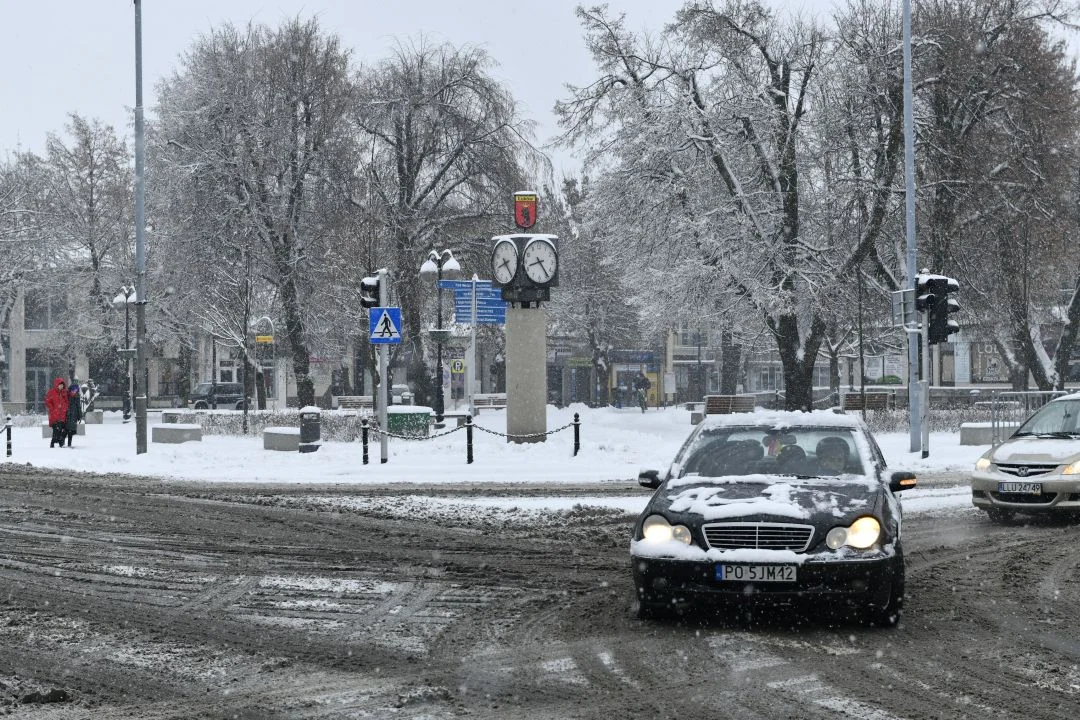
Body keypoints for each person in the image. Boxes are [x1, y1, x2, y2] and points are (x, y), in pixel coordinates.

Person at [44, 377, 69, 449]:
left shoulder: (64, 393)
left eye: (62, 385)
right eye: (60, 385)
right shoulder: (51, 392)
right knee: (56, 430)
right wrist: (53, 409)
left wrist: (65, 408)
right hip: (55, 415)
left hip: (62, 415)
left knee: (61, 430)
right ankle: (52, 443)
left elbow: (66, 402)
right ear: (56, 385)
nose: (61, 386)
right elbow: (47, 401)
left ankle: (60, 443)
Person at [64, 381, 83, 447]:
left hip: (74, 416)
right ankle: (62, 443)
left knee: (71, 431)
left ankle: (69, 443)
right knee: (66, 431)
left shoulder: (77, 397)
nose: (74, 392)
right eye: (73, 390)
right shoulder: (67, 396)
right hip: (68, 416)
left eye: (76, 390)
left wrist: (80, 416)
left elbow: (79, 407)